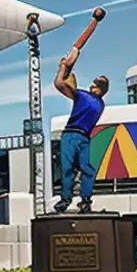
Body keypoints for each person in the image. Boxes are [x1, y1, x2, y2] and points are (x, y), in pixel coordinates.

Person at [52, 45, 109, 213]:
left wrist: (65, 67)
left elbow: (61, 84)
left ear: (100, 88)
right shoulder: (99, 104)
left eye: (97, 83)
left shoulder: (85, 97)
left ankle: (66, 199)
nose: (93, 84)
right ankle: (85, 200)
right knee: (86, 168)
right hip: (83, 137)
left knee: (69, 168)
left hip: (72, 134)